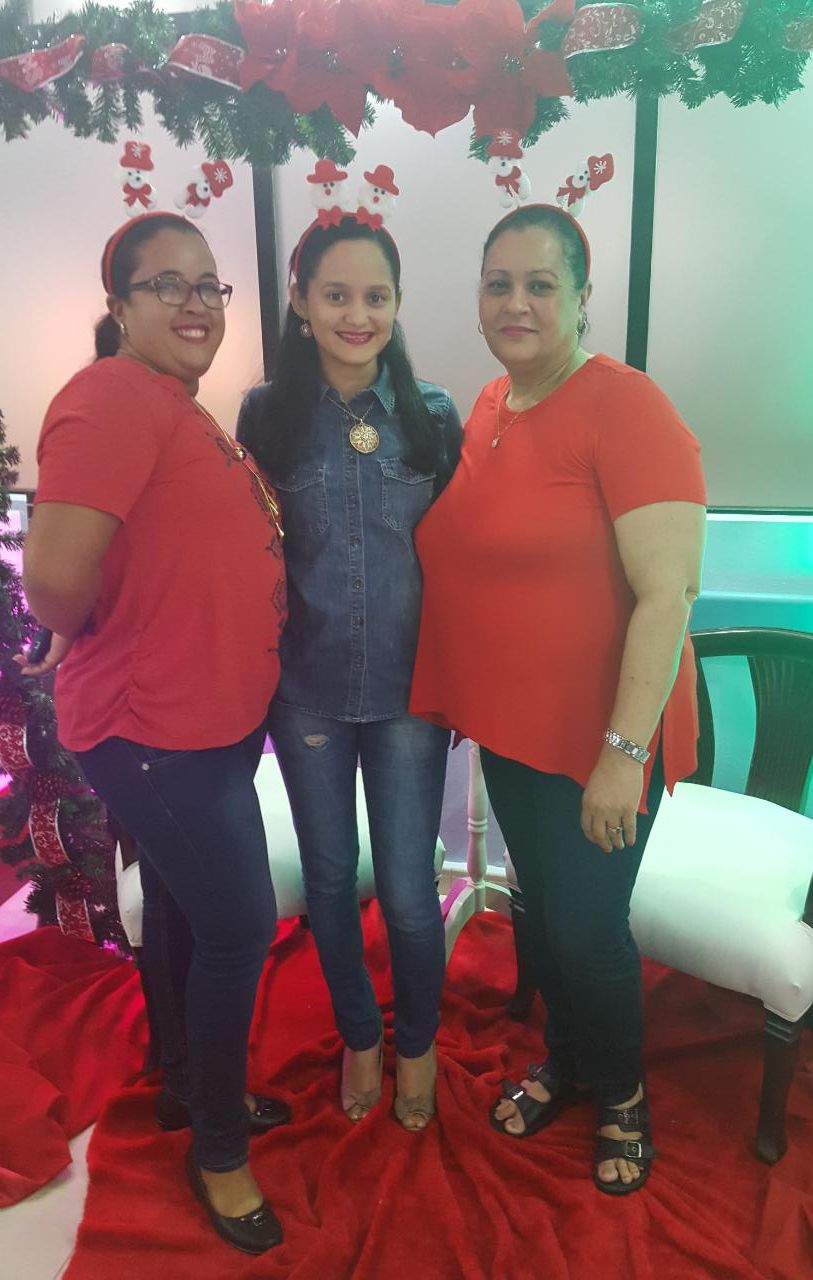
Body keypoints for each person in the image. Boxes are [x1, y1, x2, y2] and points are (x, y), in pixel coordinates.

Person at [409, 204, 706, 1193]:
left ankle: (621, 1096)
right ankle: (568, 1061)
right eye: (500, 283)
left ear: (583, 297)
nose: (518, 302)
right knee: (542, 916)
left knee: (584, 928)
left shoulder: (626, 406)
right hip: (517, 727)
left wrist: (624, 753)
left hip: (604, 733)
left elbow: (669, 593)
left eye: (542, 284)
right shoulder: (491, 404)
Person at [20, 212, 289, 1254]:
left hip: (206, 723)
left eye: (207, 285)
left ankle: (186, 1083)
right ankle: (218, 1148)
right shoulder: (110, 396)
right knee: (239, 926)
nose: (194, 303)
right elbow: (53, 579)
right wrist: (93, 626)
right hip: (153, 731)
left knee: (180, 909)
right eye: (165, 284)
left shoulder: (173, 403)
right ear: (120, 305)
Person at [237, 204, 462, 1131]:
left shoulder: (432, 414)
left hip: (411, 695)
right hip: (308, 695)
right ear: (300, 302)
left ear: (398, 303)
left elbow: (461, 561)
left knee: (408, 894)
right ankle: (360, 1036)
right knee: (330, 882)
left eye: (375, 296)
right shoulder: (266, 414)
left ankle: (419, 1044)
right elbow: (247, 549)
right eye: (336, 296)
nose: (356, 315)